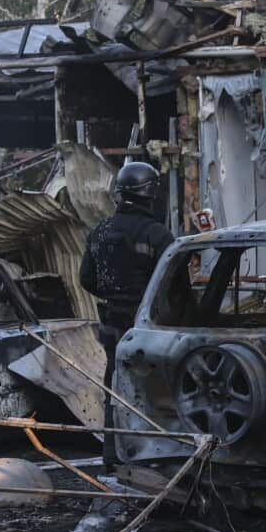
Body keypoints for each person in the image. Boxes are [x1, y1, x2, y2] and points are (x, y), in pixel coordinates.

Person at [79, 161, 175, 469]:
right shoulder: (158, 235)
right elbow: (173, 286)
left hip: (112, 323)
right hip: (149, 326)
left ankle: (112, 455)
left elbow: (86, 280)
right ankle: (154, 457)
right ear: (150, 193)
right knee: (156, 386)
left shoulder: (100, 231)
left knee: (115, 384)